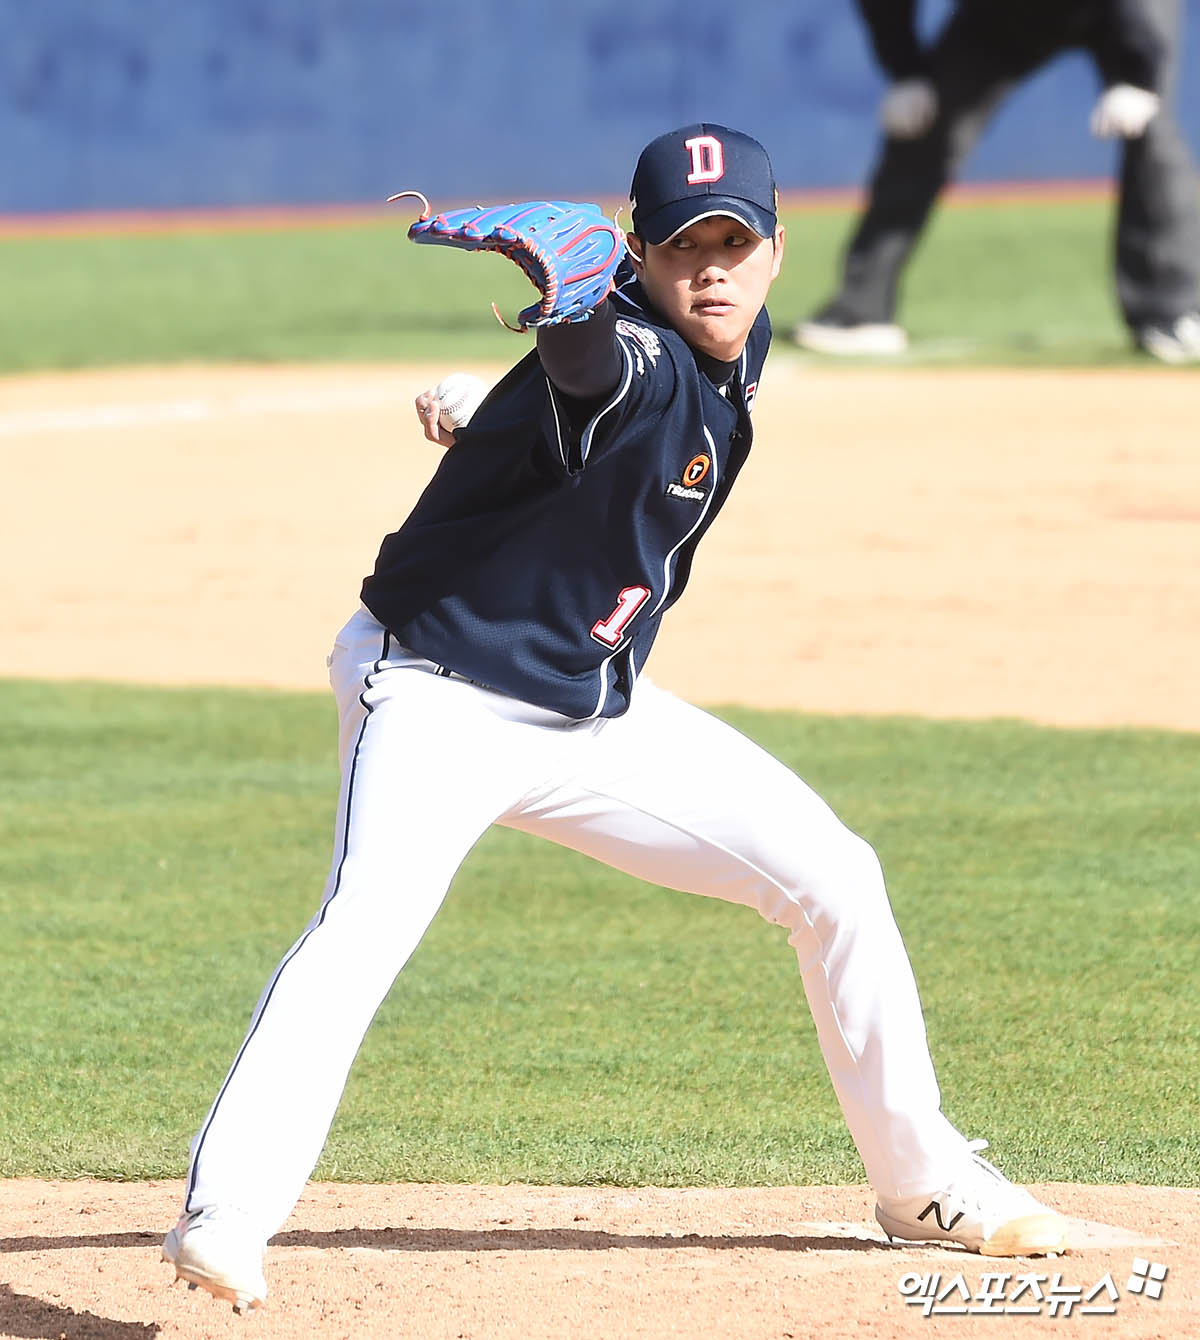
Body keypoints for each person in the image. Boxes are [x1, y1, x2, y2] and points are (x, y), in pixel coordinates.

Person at [162, 123, 1068, 1314]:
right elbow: (598, 372)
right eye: (683, 246)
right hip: (439, 694)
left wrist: (491, 405)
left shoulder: (733, 340)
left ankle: (922, 1180)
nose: (712, 269)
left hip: (591, 711)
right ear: (636, 256)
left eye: (734, 243)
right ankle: (228, 1211)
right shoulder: (627, 339)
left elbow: (583, 421)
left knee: (835, 878)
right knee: (367, 922)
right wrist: (570, 311)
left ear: (778, 250)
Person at [794, 0, 1200, 364]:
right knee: (926, 122)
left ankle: (1173, 314)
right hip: (1003, 14)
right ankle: (861, 309)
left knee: (1152, 126)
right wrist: (905, 71)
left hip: (1127, 11)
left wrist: (1137, 73)